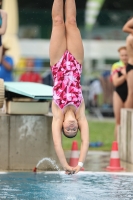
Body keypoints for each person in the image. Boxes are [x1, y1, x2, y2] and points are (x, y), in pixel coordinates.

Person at [50, 0, 89, 174]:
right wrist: (79, 165)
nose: (72, 127)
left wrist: (65, 165)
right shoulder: (81, 114)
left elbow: (57, 143)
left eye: (68, 129)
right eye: (75, 130)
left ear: (63, 125)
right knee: (71, 22)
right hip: (75, 62)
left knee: (58, 21)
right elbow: (85, 141)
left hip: (58, 63)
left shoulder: (58, 114)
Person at [111, 46, 128, 141]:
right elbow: (116, 82)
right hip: (119, 93)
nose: (124, 57)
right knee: (118, 120)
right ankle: (117, 144)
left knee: (129, 120)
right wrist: (126, 74)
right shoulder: (117, 66)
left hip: (130, 94)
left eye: (126, 55)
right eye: (122, 55)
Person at [123, 18, 133, 108]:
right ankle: (127, 120)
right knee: (131, 94)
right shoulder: (131, 38)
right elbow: (125, 28)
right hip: (132, 67)